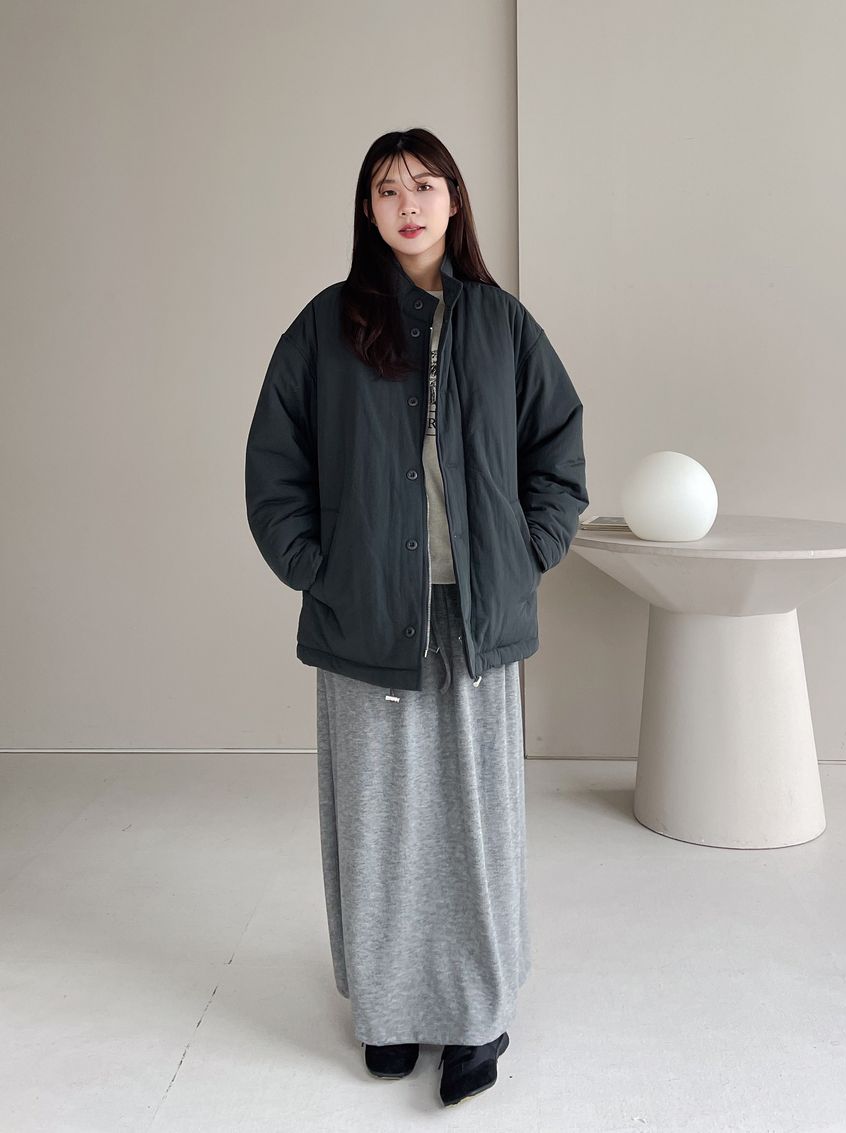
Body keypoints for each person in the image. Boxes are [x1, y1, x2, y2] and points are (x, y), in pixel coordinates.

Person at [245, 127, 589, 1107]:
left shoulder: (501, 324)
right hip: (365, 617)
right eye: (388, 189)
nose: (408, 204)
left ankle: (477, 1015)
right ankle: (391, 1009)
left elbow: (557, 449)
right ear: (367, 208)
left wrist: (525, 552)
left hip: (473, 616)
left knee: (473, 826)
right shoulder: (326, 325)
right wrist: (322, 571)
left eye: (425, 186)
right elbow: (274, 465)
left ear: (454, 200)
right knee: (380, 822)